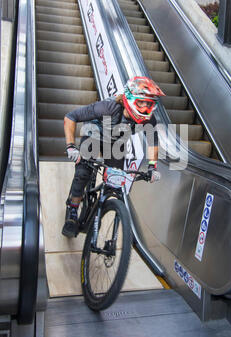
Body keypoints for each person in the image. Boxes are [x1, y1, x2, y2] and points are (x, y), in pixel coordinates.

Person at [62, 76, 165, 238]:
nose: (145, 108)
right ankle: (73, 210)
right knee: (83, 173)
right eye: (141, 102)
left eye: (149, 104)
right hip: (94, 135)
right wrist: (71, 146)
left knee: (115, 182)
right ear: (130, 99)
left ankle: (101, 208)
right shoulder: (107, 107)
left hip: (116, 143)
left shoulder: (148, 120)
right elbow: (70, 117)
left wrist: (153, 167)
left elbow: (153, 143)